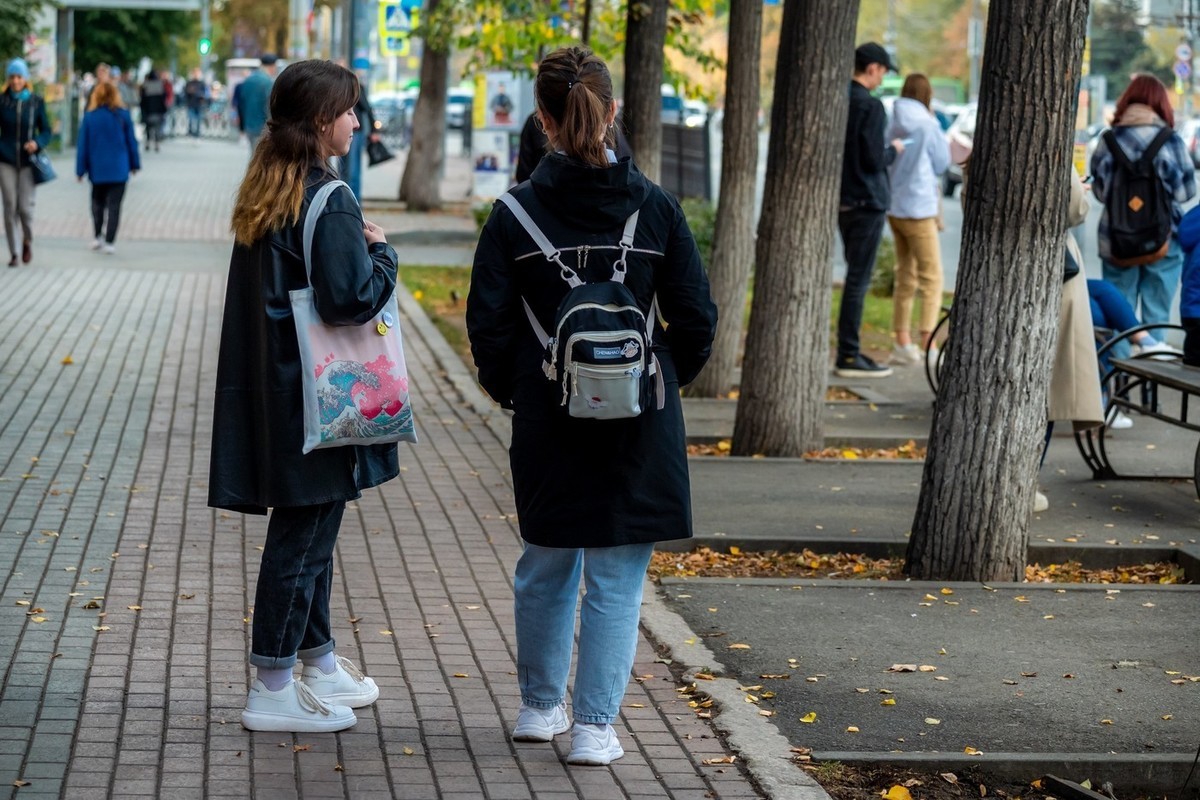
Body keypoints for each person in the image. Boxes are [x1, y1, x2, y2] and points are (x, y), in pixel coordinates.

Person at [467, 45, 717, 766]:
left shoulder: (513, 215)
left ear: (542, 120)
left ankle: (539, 708)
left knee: (546, 561)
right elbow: (696, 319)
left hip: (549, 417)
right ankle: (594, 728)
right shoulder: (657, 207)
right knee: (616, 575)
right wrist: (656, 383)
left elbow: (489, 327)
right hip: (639, 420)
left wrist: (523, 393)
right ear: (613, 112)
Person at [208, 59, 396, 733]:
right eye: (348, 110)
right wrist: (384, 256)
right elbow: (350, 300)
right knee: (304, 538)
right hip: (324, 399)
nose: (355, 120)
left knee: (310, 528)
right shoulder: (330, 198)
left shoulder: (270, 189)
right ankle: (273, 685)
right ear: (321, 121)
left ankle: (314, 662)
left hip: (279, 391)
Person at [1090, 73, 1196, 336]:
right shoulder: (1170, 140)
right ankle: (1151, 368)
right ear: (1161, 104)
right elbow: (1186, 192)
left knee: (1119, 313)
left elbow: (1101, 193)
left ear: (1127, 102)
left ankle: (1120, 372)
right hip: (1163, 239)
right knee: (1157, 315)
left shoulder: (1108, 140)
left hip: (1116, 239)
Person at [836, 42, 906, 378]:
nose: (882, 78)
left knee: (853, 277)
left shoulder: (840, 100)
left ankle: (848, 350)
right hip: (868, 200)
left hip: (844, 200)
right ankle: (848, 354)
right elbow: (873, 159)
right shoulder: (872, 106)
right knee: (858, 281)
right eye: (882, 71)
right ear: (874, 68)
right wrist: (892, 150)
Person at [1037, 173, 1106, 511]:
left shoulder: (983, 152)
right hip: (1054, 277)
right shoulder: (1051, 150)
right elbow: (1075, 209)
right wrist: (1075, 182)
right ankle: (1025, 480)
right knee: (1051, 389)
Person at [884, 73, 950, 367]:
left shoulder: (893, 119)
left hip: (894, 207)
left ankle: (902, 341)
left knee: (905, 275)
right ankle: (928, 340)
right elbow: (941, 163)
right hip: (920, 208)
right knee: (932, 277)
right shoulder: (927, 123)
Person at [76, 81, 140, 254]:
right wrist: (135, 164)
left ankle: (97, 236)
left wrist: (80, 170)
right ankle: (110, 241)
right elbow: (131, 142)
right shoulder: (124, 115)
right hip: (119, 169)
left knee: (97, 204)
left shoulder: (90, 117)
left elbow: (83, 146)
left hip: (97, 170)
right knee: (114, 206)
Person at [0, 58, 51, 268]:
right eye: (12, 76)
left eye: (19, 77)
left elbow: (46, 131)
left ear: (26, 79)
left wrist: (37, 143)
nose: (16, 81)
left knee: (25, 208)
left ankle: (27, 240)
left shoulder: (36, 102)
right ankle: (14, 252)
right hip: (6, 160)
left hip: (29, 161)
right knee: (10, 206)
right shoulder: (2, 101)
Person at [514, 108, 633, 184]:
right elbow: (627, 174)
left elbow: (524, 175)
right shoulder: (644, 199)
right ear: (611, 109)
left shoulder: (510, 211)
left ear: (544, 119)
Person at [338, 76, 381, 202]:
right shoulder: (338, 87)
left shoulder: (354, 86)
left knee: (352, 171)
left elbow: (367, 108)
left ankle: (352, 203)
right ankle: (345, 201)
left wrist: (374, 130)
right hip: (346, 131)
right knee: (345, 170)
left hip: (355, 133)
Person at [236, 54, 279, 153]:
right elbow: (269, 106)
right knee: (261, 158)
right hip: (262, 126)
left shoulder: (248, 80)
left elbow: (241, 104)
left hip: (249, 125)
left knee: (254, 154)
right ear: (272, 67)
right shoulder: (268, 82)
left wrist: (242, 126)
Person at [139, 69, 169, 152]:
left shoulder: (146, 85)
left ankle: (148, 142)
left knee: (148, 127)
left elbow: (142, 98)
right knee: (157, 127)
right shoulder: (160, 85)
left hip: (148, 109)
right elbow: (163, 98)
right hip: (158, 109)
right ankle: (156, 143)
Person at [183, 67, 209, 139]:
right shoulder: (189, 83)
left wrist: (201, 95)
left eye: (197, 73)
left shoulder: (202, 83)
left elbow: (206, 93)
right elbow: (185, 93)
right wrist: (189, 92)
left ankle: (197, 134)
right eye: (195, 73)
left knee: (198, 120)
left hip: (199, 104)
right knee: (191, 119)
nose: (196, 75)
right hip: (191, 104)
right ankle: (190, 132)